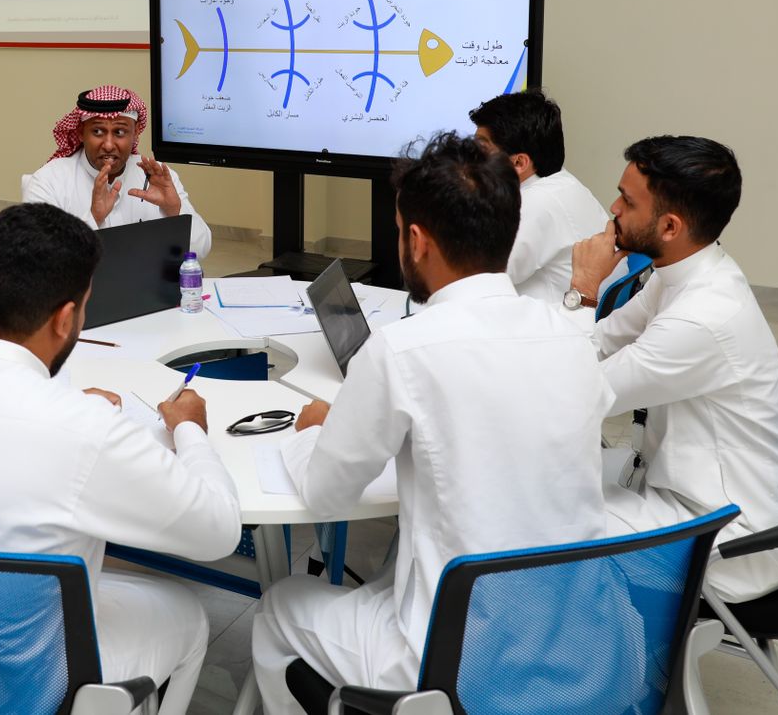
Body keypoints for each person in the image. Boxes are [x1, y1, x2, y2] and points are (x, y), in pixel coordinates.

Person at [250, 133, 612, 713]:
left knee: (280, 606)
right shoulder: (571, 335)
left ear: (416, 241)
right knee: (392, 574)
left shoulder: (401, 349)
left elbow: (325, 493)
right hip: (579, 641)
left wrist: (315, 430)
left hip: (457, 659)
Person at [0, 202, 241, 715]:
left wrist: (71, 409)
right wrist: (190, 429)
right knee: (187, 614)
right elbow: (218, 531)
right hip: (8, 687)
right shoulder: (84, 427)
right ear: (66, 317)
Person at [566, 135, 778, 603]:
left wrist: (583, 289)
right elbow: (598, 344)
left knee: (535, 517)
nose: (613, 209)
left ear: (670, 226)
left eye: (627, 201)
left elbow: (576, 397)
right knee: (543, 485)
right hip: (686, 492)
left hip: (733, 541)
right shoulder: (683, 275)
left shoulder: (702, 317)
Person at [22, 85, 213, 256]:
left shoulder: (158, 178)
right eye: (97, 131)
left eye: (119, 132)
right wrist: (93, 218)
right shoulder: (50, 180)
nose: (108, 145)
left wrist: (174, 210)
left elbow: (201, 248)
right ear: (80, 132)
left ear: (135, 132)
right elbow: (37, 260)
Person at [470, 88, 614, 302]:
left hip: (555, 317)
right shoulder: (562, 182)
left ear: (519, 163)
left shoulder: (537, 203)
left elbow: (479, 276)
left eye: (481, 148)